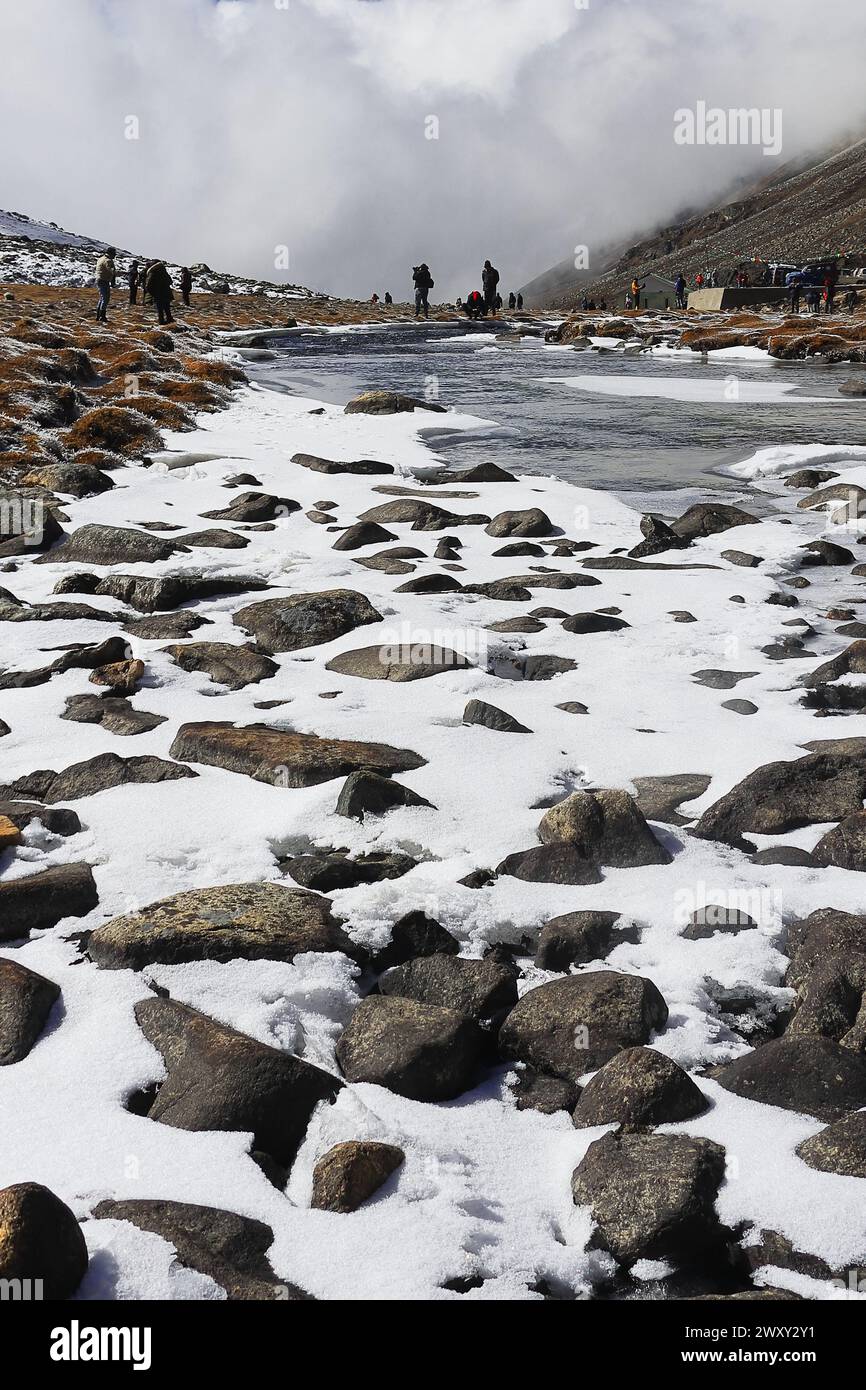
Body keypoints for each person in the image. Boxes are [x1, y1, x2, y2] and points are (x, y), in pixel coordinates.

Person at [145, 259, 174, 324]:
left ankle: (161, 321)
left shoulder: (152, 272)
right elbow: (170, 281)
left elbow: (148, 285)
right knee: (167, 307)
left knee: (160, 309)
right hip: (166, 292)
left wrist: (153, 293)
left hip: (158, 293)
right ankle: (169, 319)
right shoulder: (164, 272)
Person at [94, 246, 116, 322]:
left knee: (102, 298)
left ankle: (98, 315)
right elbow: (111, 271)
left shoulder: (101, 258)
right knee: (105, 298)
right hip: (104, 280)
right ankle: (102, 316)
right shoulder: (108, 261)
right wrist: (118, 273)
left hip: (99, 279)